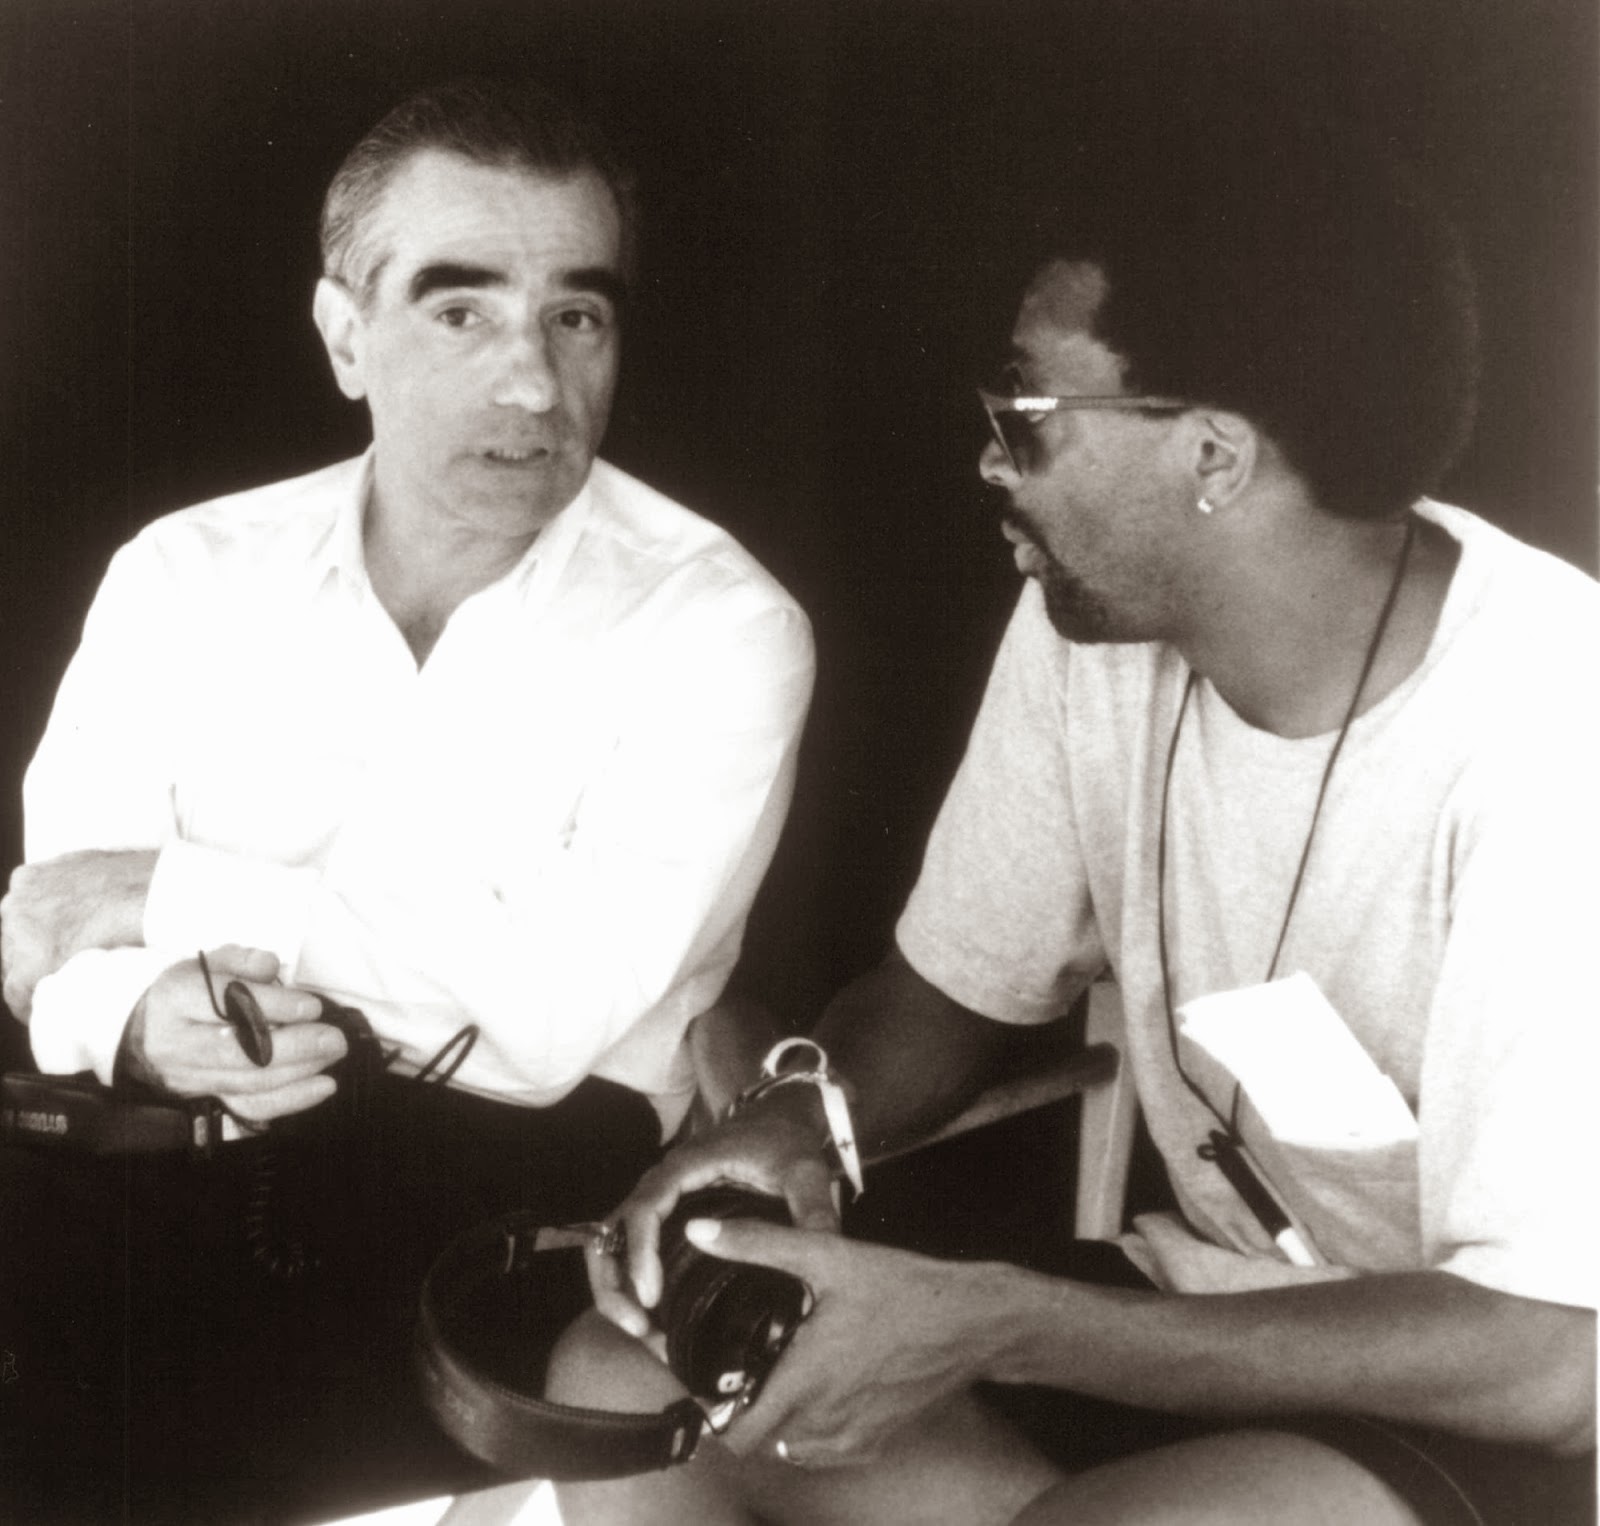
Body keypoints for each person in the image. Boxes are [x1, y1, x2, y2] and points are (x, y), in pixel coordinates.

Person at [551, 104, 1598, 1525]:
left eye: (1025, 417)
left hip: (1514, 1409)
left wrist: (999, 1323)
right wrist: (800, 1113)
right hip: (1221, 1314)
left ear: (1214, 456)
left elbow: (1553, 1359)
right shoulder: (1096, 631)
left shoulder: (1550, 731)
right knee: (624, 1385)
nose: (991, 462)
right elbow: (944, 997)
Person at [0, 79, 812, 1522]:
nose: (533, 385)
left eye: (577, 315)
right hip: (144, 1175)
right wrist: (129, 1017)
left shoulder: (718, 625)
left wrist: (169, 892)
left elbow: (549, 1020)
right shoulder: (185, 572)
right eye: (461, 310)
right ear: (343, 334)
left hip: (500, 1228)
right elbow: (52, 924)